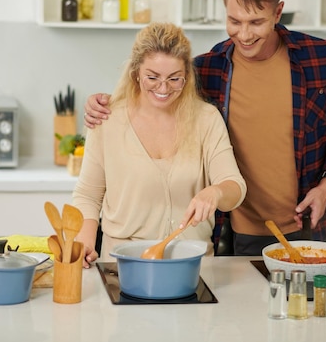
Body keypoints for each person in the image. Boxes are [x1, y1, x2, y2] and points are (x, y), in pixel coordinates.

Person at [84, 0, 326, 256]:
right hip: (239, 228)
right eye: (234, 21)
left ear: (278, 12)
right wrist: (106, 103)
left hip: (315, 218)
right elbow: (160, 91)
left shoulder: (320, 58)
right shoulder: (209, 68)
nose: (244, 35)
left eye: (256, 22)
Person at [73, 22, 246, 268]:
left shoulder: (206, 119)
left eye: (174, 79)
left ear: (187, 75)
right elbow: (88, 195)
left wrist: (216, 192)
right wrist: (85, 239)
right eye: (152, 77)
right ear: (136, 73)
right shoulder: (107, 119)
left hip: (193, 265)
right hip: (121, 264)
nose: (163, 88)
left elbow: (235, 187)